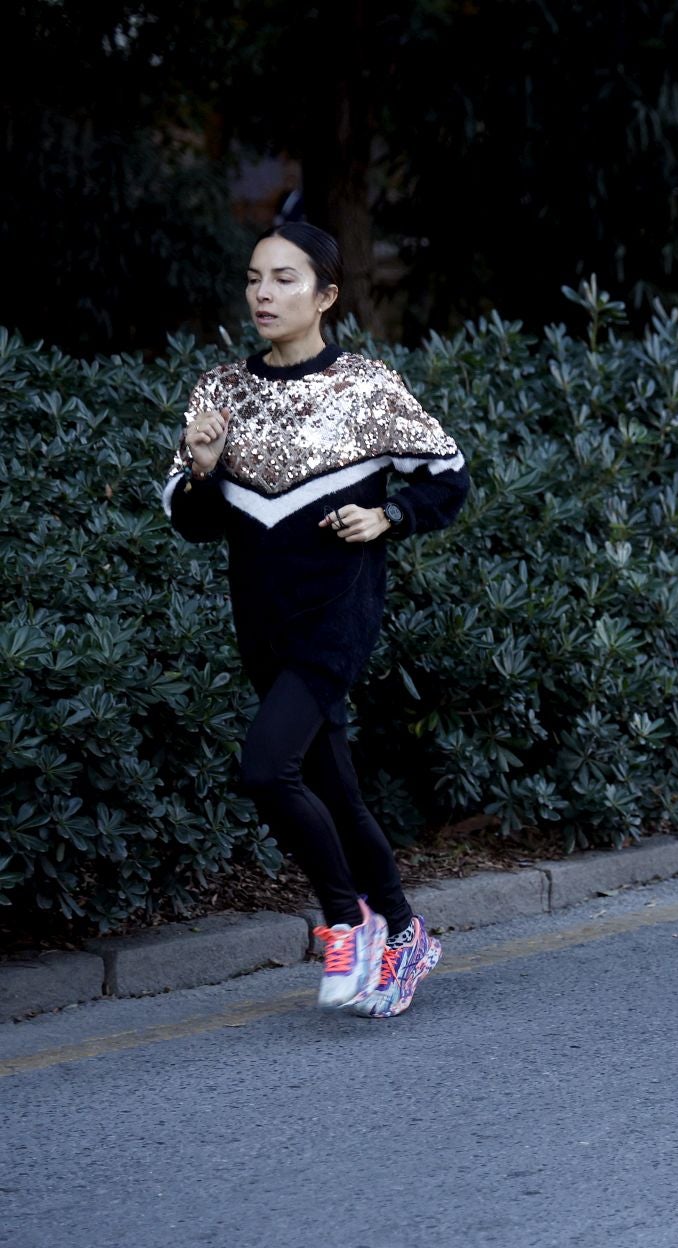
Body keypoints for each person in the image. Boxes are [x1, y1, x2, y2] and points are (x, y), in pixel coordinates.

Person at [162, 223, 470, 1018]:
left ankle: (347, 921)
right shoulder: (220, 389)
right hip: (262, 620)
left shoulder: (367, 388)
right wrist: (199, 470)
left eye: (285, 279)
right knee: (334, 786)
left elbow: (448, 475)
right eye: (255, 278)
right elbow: (190, 521)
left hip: (337, 617)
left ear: (326, 295)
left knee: (266, 769)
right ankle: (405, 932)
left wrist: (389, 516)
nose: (264, 293)